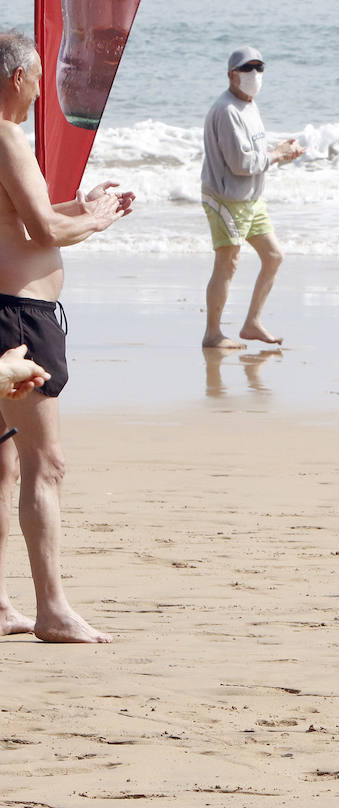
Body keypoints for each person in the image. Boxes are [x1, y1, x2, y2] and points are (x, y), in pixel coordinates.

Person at [0, 28, 133, 643]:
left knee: (3, 467)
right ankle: (52, 609)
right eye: (35, 78)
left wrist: (81, 205)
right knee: (44, 463)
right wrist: (96, 221)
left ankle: (2, 606)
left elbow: (25, 221)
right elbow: (43, 230)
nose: (39, 92)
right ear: (17, 78)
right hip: (20, 317)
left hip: (7, 311)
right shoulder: (5, 134)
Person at [201, 45, 302, 349]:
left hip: (250, 199)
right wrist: (276, 155)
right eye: (247, 69)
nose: (254, 75)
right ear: (232, 75)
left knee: (273, 256)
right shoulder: (227, 111)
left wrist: (282, 153)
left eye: (259, 68)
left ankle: (252, 323)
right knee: (227, 264)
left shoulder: (249, 105)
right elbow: (240, 164)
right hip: (226, 198)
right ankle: (213, 333)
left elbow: (255, 153)